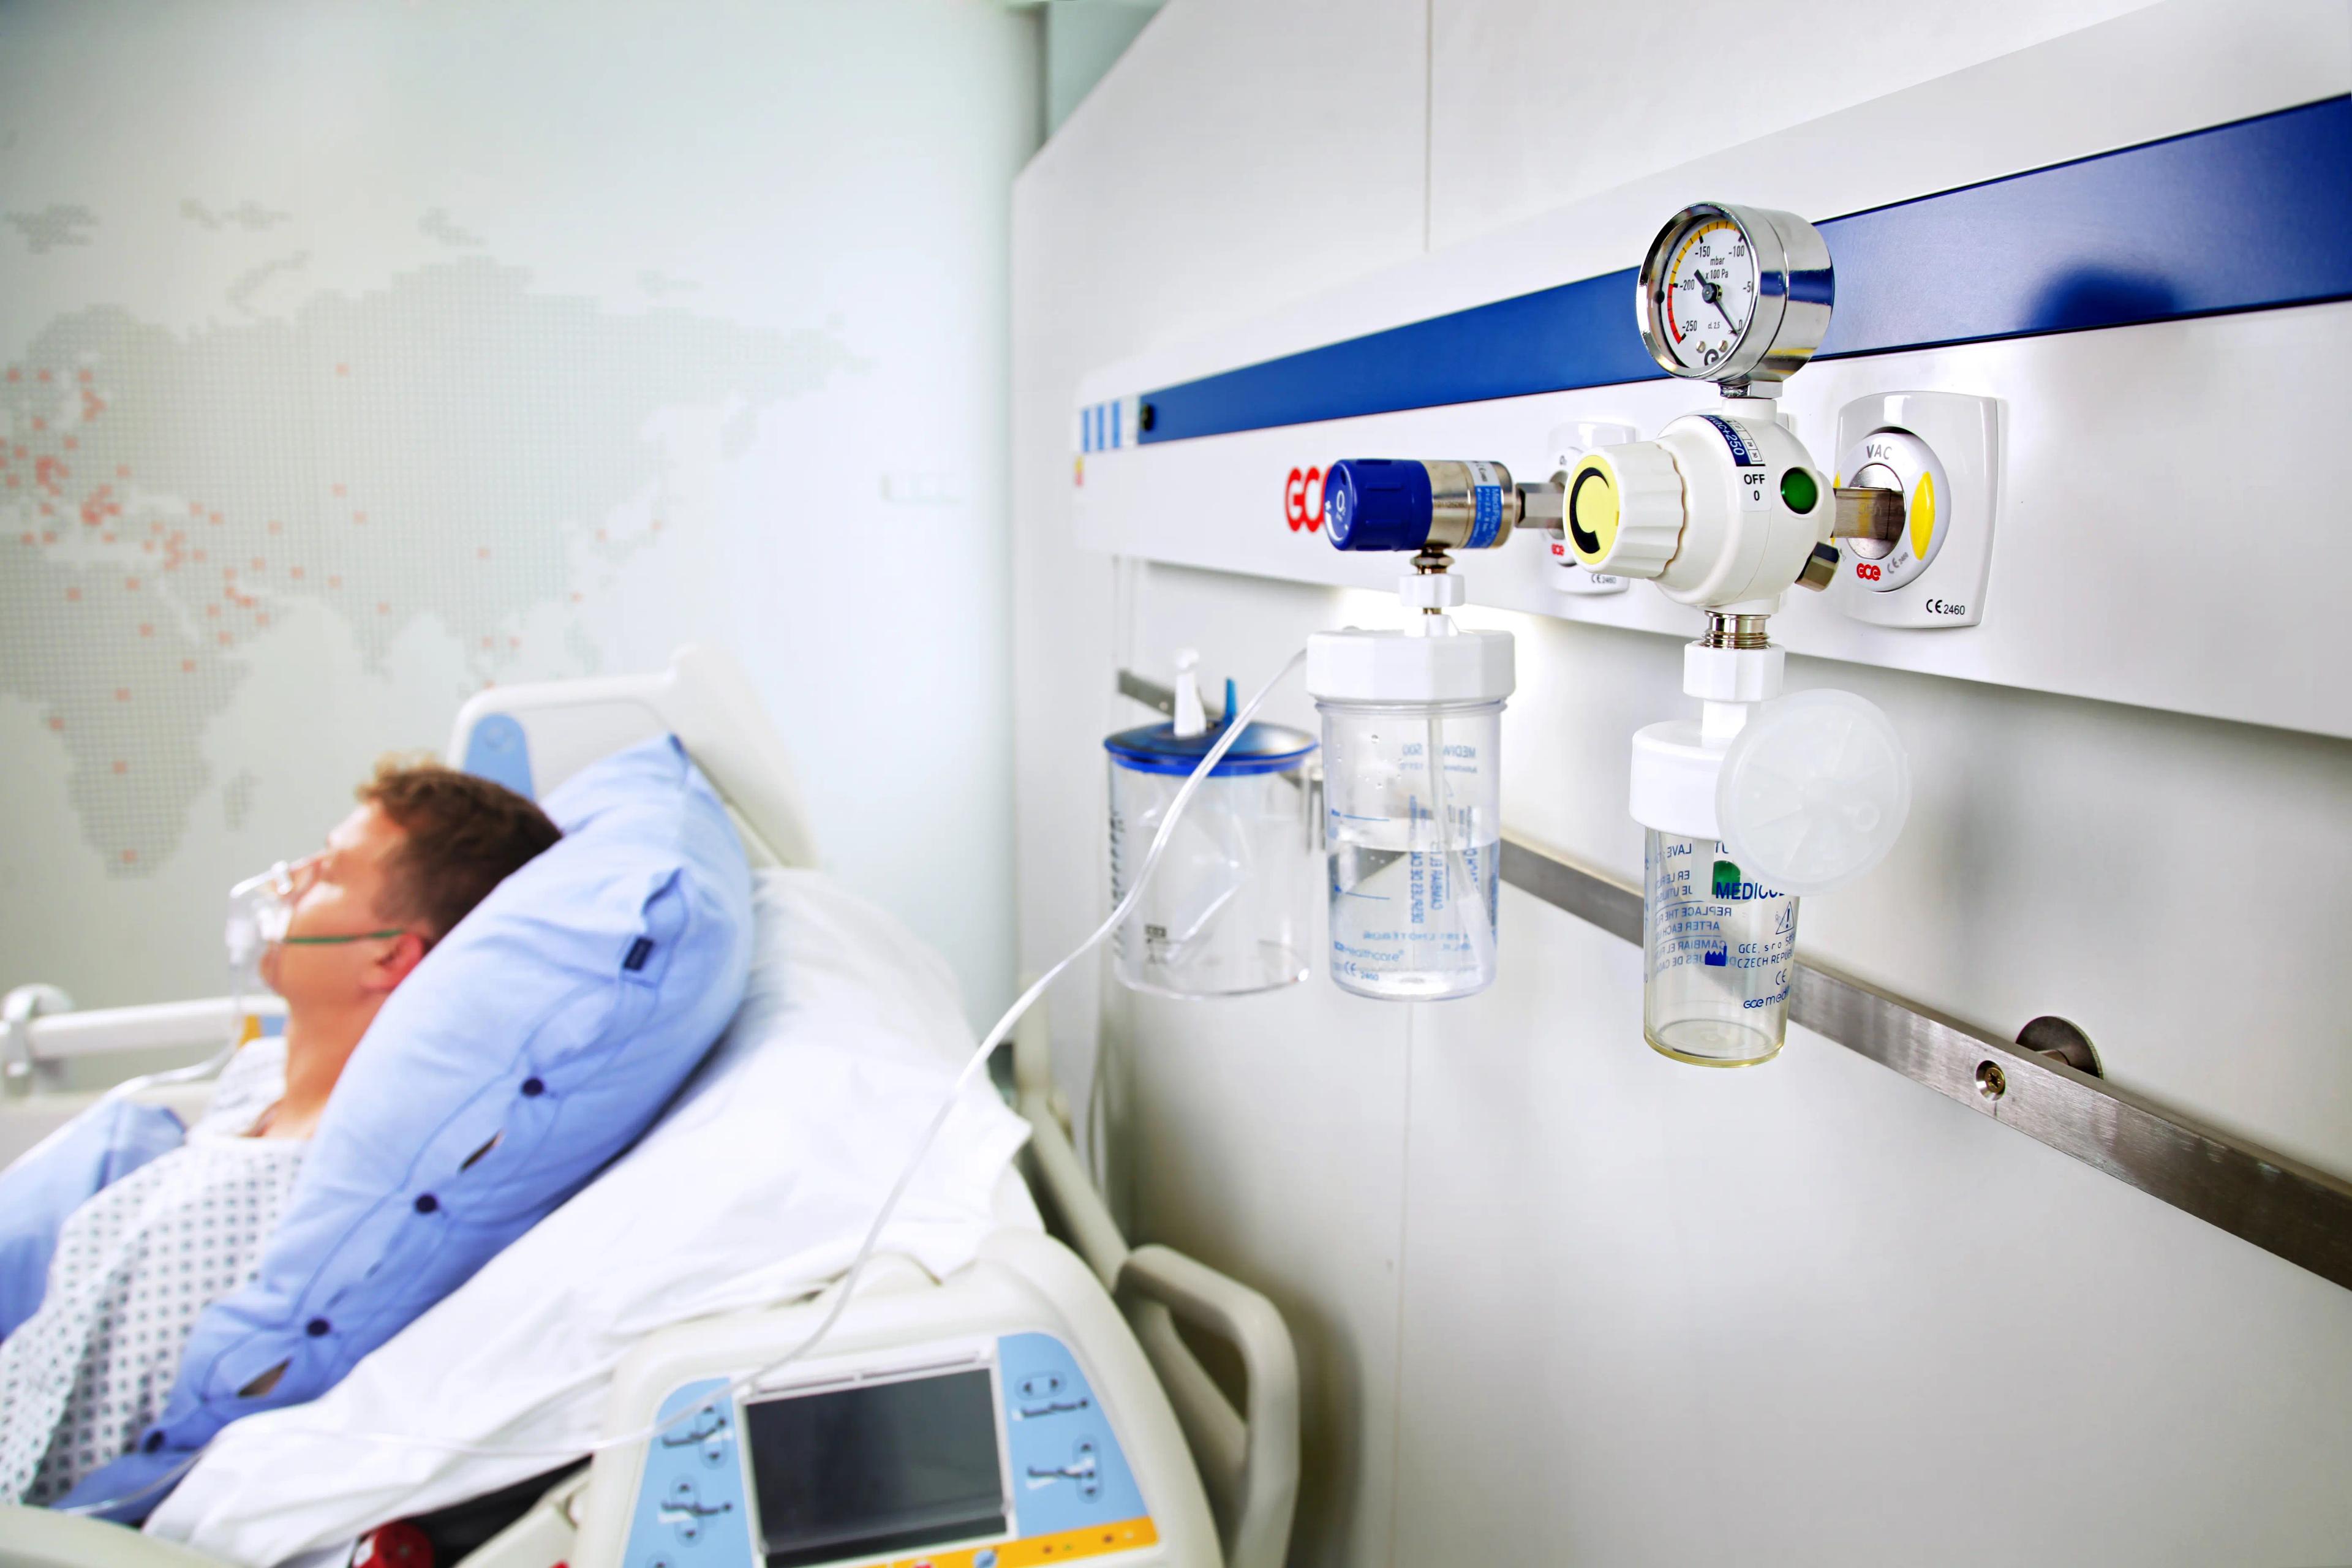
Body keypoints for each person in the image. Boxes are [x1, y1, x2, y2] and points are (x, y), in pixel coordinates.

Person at [0, 760, 560, 1505]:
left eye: (325, 872)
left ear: (391, 954)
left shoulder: (303, 1193)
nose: (286, 882)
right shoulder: (258, 1081)